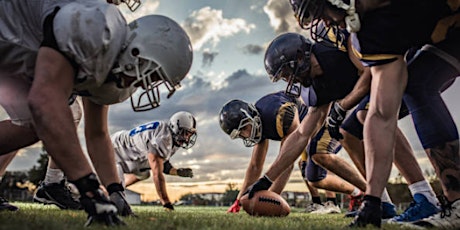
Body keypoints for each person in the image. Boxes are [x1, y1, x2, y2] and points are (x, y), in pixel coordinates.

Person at [0, 0, 193, 226]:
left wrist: (114, 191)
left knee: (34, 125)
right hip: (9, 28)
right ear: (138, 52)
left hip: (19, 41)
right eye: (152, 77)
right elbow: (45, 101)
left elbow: (97, 133)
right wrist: (89, 188)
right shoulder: (96, 28)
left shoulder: (109, 58)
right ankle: (52, 186)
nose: (146, 86)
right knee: (51, 111)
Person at [288, 0, 460, 228]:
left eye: (320, 11)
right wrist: (372, 198)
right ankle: (456, 204)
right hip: (450, 37)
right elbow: (381, 114)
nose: (325, 22)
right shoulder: (371, 31)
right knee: (416, 85)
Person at [220, 91, 364, 214]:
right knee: (314, 177)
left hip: (327, 117)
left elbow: (287, 161)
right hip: (309, 130)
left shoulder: (280, 113)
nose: (246, 135)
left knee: (319, 155)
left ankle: (369, 193)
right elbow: (255, 166)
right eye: (241, 134)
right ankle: (356, 193)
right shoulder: (257, 124)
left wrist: (270, 199)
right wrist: (239, 200)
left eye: (245, 127)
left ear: (251, 115)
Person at [112, 111, 197, 211]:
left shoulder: (169, 137)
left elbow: (163, 164)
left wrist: (177, 172)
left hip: (130, 154)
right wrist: (166, 203)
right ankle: (113, 187)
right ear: (175, 127)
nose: (187, 138)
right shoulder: (163, 138)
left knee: (144, 174)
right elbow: (157, 174)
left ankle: (121, 185)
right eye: (185, 133)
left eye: (190, 134)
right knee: (118, 203)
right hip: (115, 149)